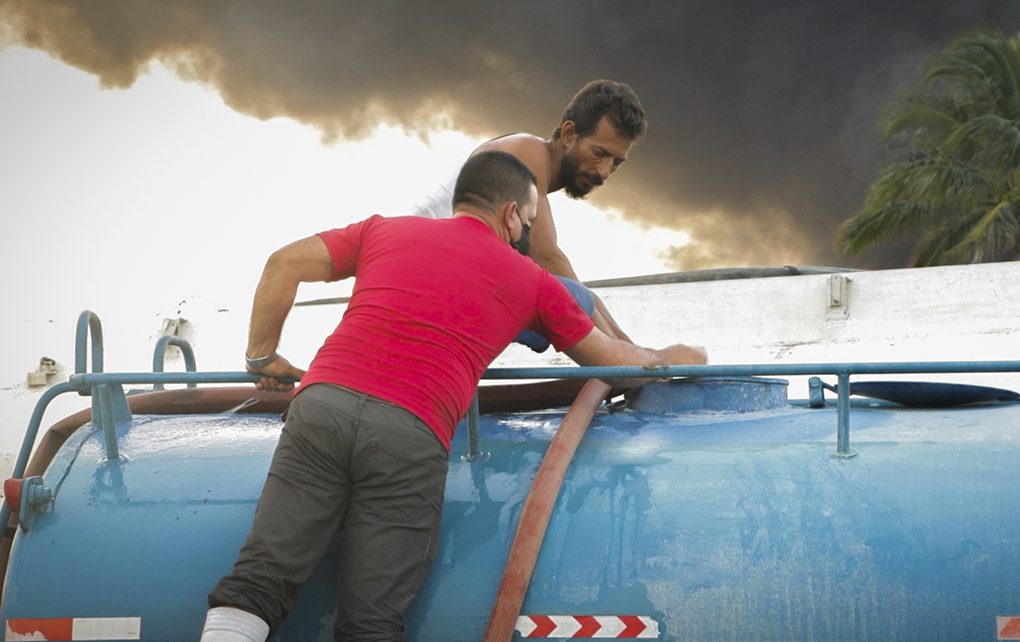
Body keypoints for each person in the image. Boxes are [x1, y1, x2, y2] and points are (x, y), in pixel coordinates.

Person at [201, 151, 706, 642]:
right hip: (408, 429)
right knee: (370, 621)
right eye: (529, 220)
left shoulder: (385, 230)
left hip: (320, 405)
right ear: (512, 215)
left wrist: (261, 358)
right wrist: (674, 357)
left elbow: (282, 263)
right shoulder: (531, 280)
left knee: (259, 580)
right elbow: (614, 362)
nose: (527, 234)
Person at [413, 79, 647, 344]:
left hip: (438, 287)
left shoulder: (532, 178)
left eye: (616, 162)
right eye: (599, 153)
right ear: (569, 134)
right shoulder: (527, 151)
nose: (604, 171)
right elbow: (546, 257)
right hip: (418, 283)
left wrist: (625, 346)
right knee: (574, 299)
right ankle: (623, 370)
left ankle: (621, 368)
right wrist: (626, 353)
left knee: (569, 298)